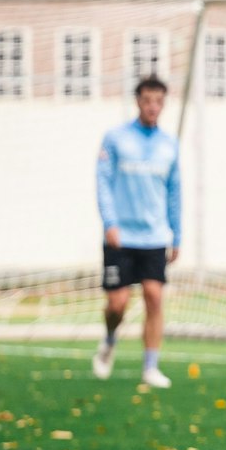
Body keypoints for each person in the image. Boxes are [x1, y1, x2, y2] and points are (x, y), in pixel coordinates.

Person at [92, 75, 181, 388]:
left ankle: (151, 366)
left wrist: (177, 234)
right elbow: (102, 181)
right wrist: (109, 222)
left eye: (158, 101)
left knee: (154, 297)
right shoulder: (116, 139)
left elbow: (174, 191)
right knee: (117, 304)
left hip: (155, 236)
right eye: (147, 100)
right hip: (121, 236)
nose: (152, 107)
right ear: (138, 101)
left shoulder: (169, 145)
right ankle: (110, 340)